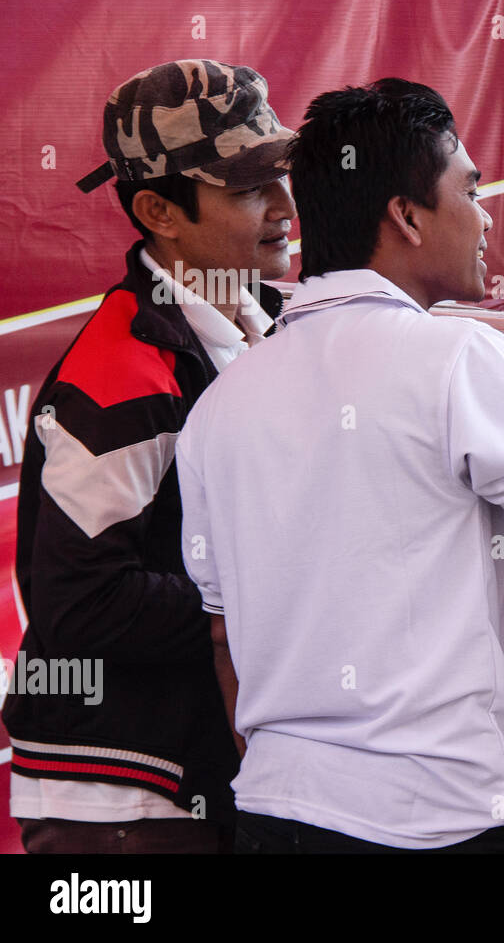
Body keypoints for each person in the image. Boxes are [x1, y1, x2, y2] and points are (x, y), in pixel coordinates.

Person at [175, 78, 504, 853]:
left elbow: (221, 639)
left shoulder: (221, 403)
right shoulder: (454, 359)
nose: (484, 214)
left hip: (274, 812)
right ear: (406, 215)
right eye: (468, 189)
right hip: (436, 819)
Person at [1, 60, 296, 853]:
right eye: (247, 188)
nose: (284, 209)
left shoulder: (271, 321)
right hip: (119, 802)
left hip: (198, 771)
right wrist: (270, 602)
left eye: (282, 175)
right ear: (158, 210)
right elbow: (82, 602)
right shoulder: (119, 372)